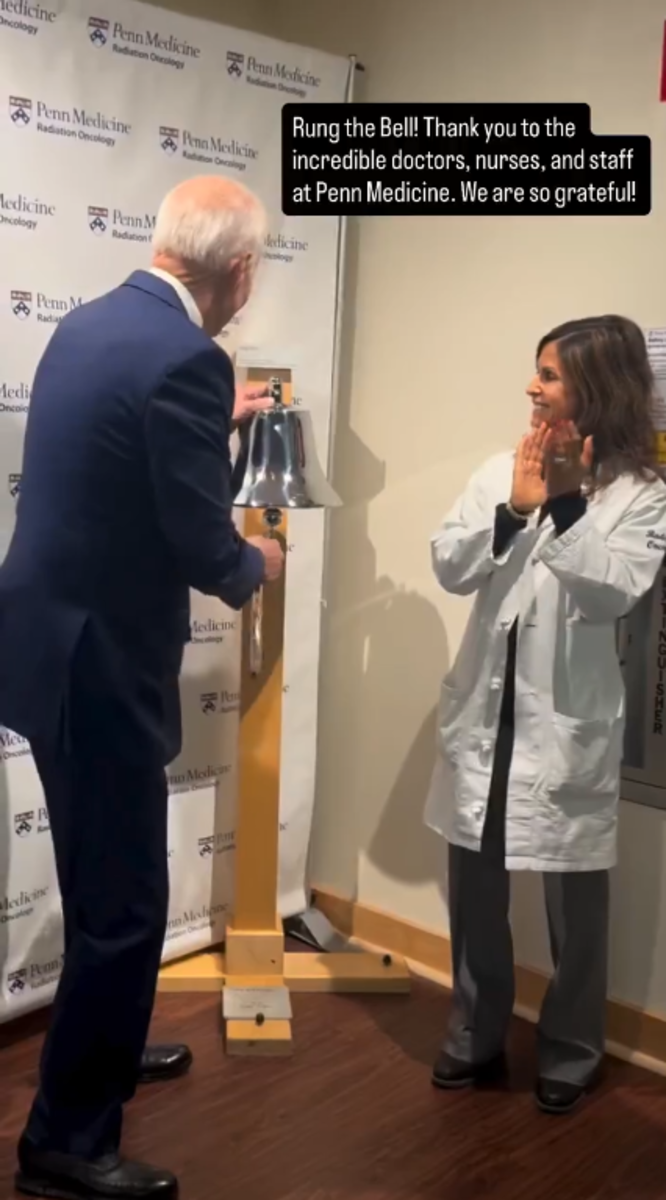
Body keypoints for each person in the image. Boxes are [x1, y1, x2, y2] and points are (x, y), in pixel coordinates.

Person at [0, 175, 284, 1199]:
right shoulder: (185, 358)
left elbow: (129, 455)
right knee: (123, 903)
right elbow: (200, 538)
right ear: (239, 271)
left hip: (44, 648)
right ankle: (65, 1144)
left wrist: (219, 417)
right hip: (100, 665)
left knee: (98, 884)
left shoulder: (95, 324)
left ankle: (105, 1050)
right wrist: (256, 569)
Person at [425, 315, 666, 1116]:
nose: (533, 387)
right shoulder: (503, 467)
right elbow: (451, 564)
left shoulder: (641, 496)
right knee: (476, 890)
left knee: (577, 908)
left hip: (565, 727)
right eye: (536, 372)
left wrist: (563, 506)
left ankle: (572, 1049)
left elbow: (613, 591)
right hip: (486, 718)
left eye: (551, 375)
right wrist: (513, 511)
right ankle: (475, 1034)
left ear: (598, 388)